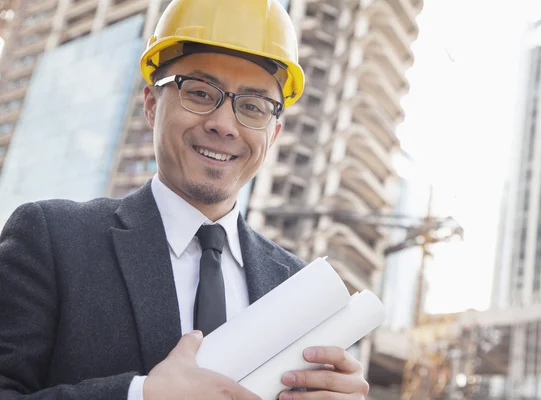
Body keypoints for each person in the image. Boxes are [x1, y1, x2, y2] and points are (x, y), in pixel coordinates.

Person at [0, 0, 371, 399]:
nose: (224, 125)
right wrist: (141, 394)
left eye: (252, 106)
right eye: (198, 92)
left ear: (274, 134)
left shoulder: (298, 289)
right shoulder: (52, 239)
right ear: (151, 104)